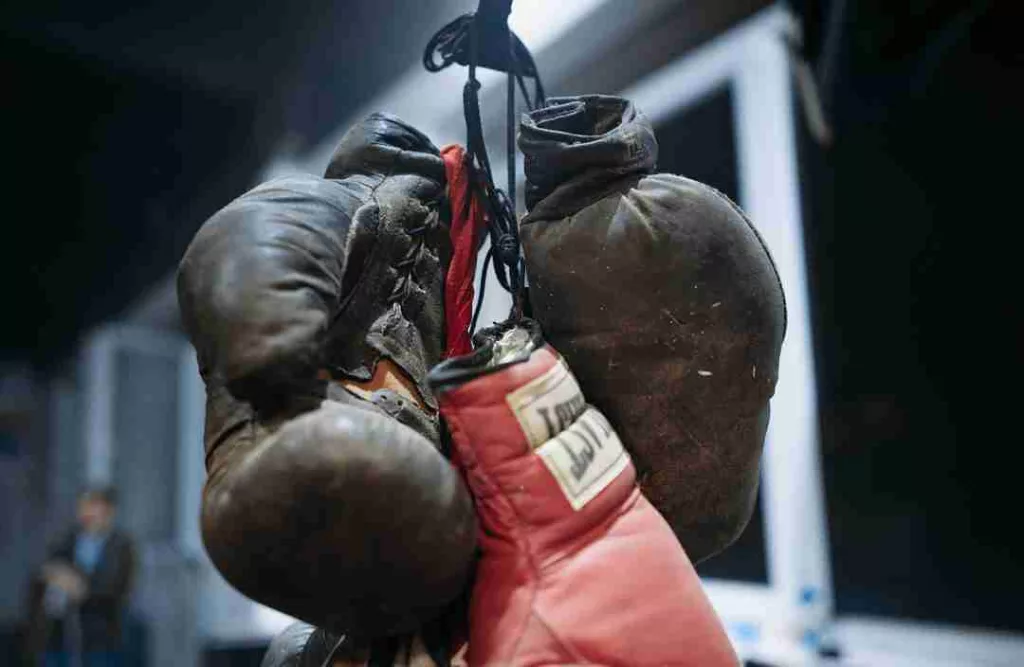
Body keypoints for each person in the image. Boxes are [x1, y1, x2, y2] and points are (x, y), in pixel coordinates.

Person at [24, 487, 136, 667]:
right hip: (61, 635)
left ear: (108, 511)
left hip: (101, 638)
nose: (87, 513)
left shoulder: (122, 546)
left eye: (93, 506)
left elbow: (115, 587)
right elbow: (46, 569)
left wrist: (79, 587)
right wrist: (56, 576)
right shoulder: (68, 538)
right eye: (83, 506)